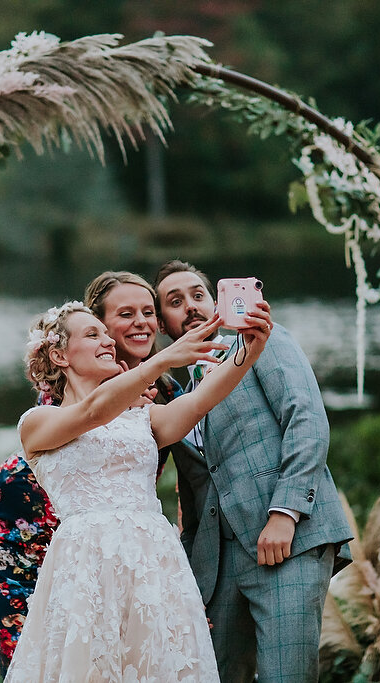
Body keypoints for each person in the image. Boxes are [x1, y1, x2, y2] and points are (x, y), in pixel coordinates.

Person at [4, 299, 271, 681]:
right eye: (93, 334)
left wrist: (249, 349)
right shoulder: (39, 422)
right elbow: (92, 413)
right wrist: (161, 361)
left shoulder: (141, 417)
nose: (109, 341)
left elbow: (197, 403)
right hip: (87, 565)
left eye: (105, 334)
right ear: (60, 355)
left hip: (153, 561)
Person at [153, 259, 353, 683]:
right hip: (219, 566)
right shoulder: (178, 402)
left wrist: (285, 513)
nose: (189, 305)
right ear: (163, 325)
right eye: (175, 301)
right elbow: (195, 491)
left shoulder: (261, 342)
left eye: (197, 295)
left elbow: (308, 421)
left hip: (288, 543)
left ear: (217, 303)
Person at [0, 271, 166, 675]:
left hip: (103, 542)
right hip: (22, 524)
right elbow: (87, 419)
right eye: (125, 314)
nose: (140, 323)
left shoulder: (163, 389)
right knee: (43, 656)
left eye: (149, 312)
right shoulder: (72, 382)